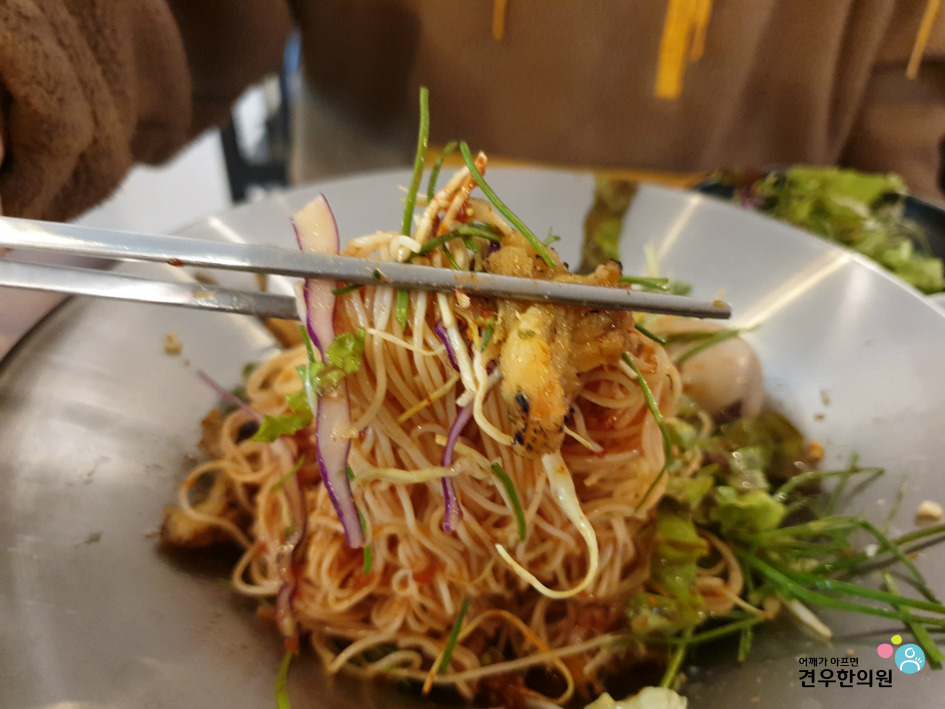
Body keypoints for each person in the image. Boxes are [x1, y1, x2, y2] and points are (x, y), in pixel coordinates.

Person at [1, 0, 944, 223]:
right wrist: (30, 65)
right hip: (365, 254)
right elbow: (107, 33)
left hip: (766, 293)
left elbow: (911, 105)